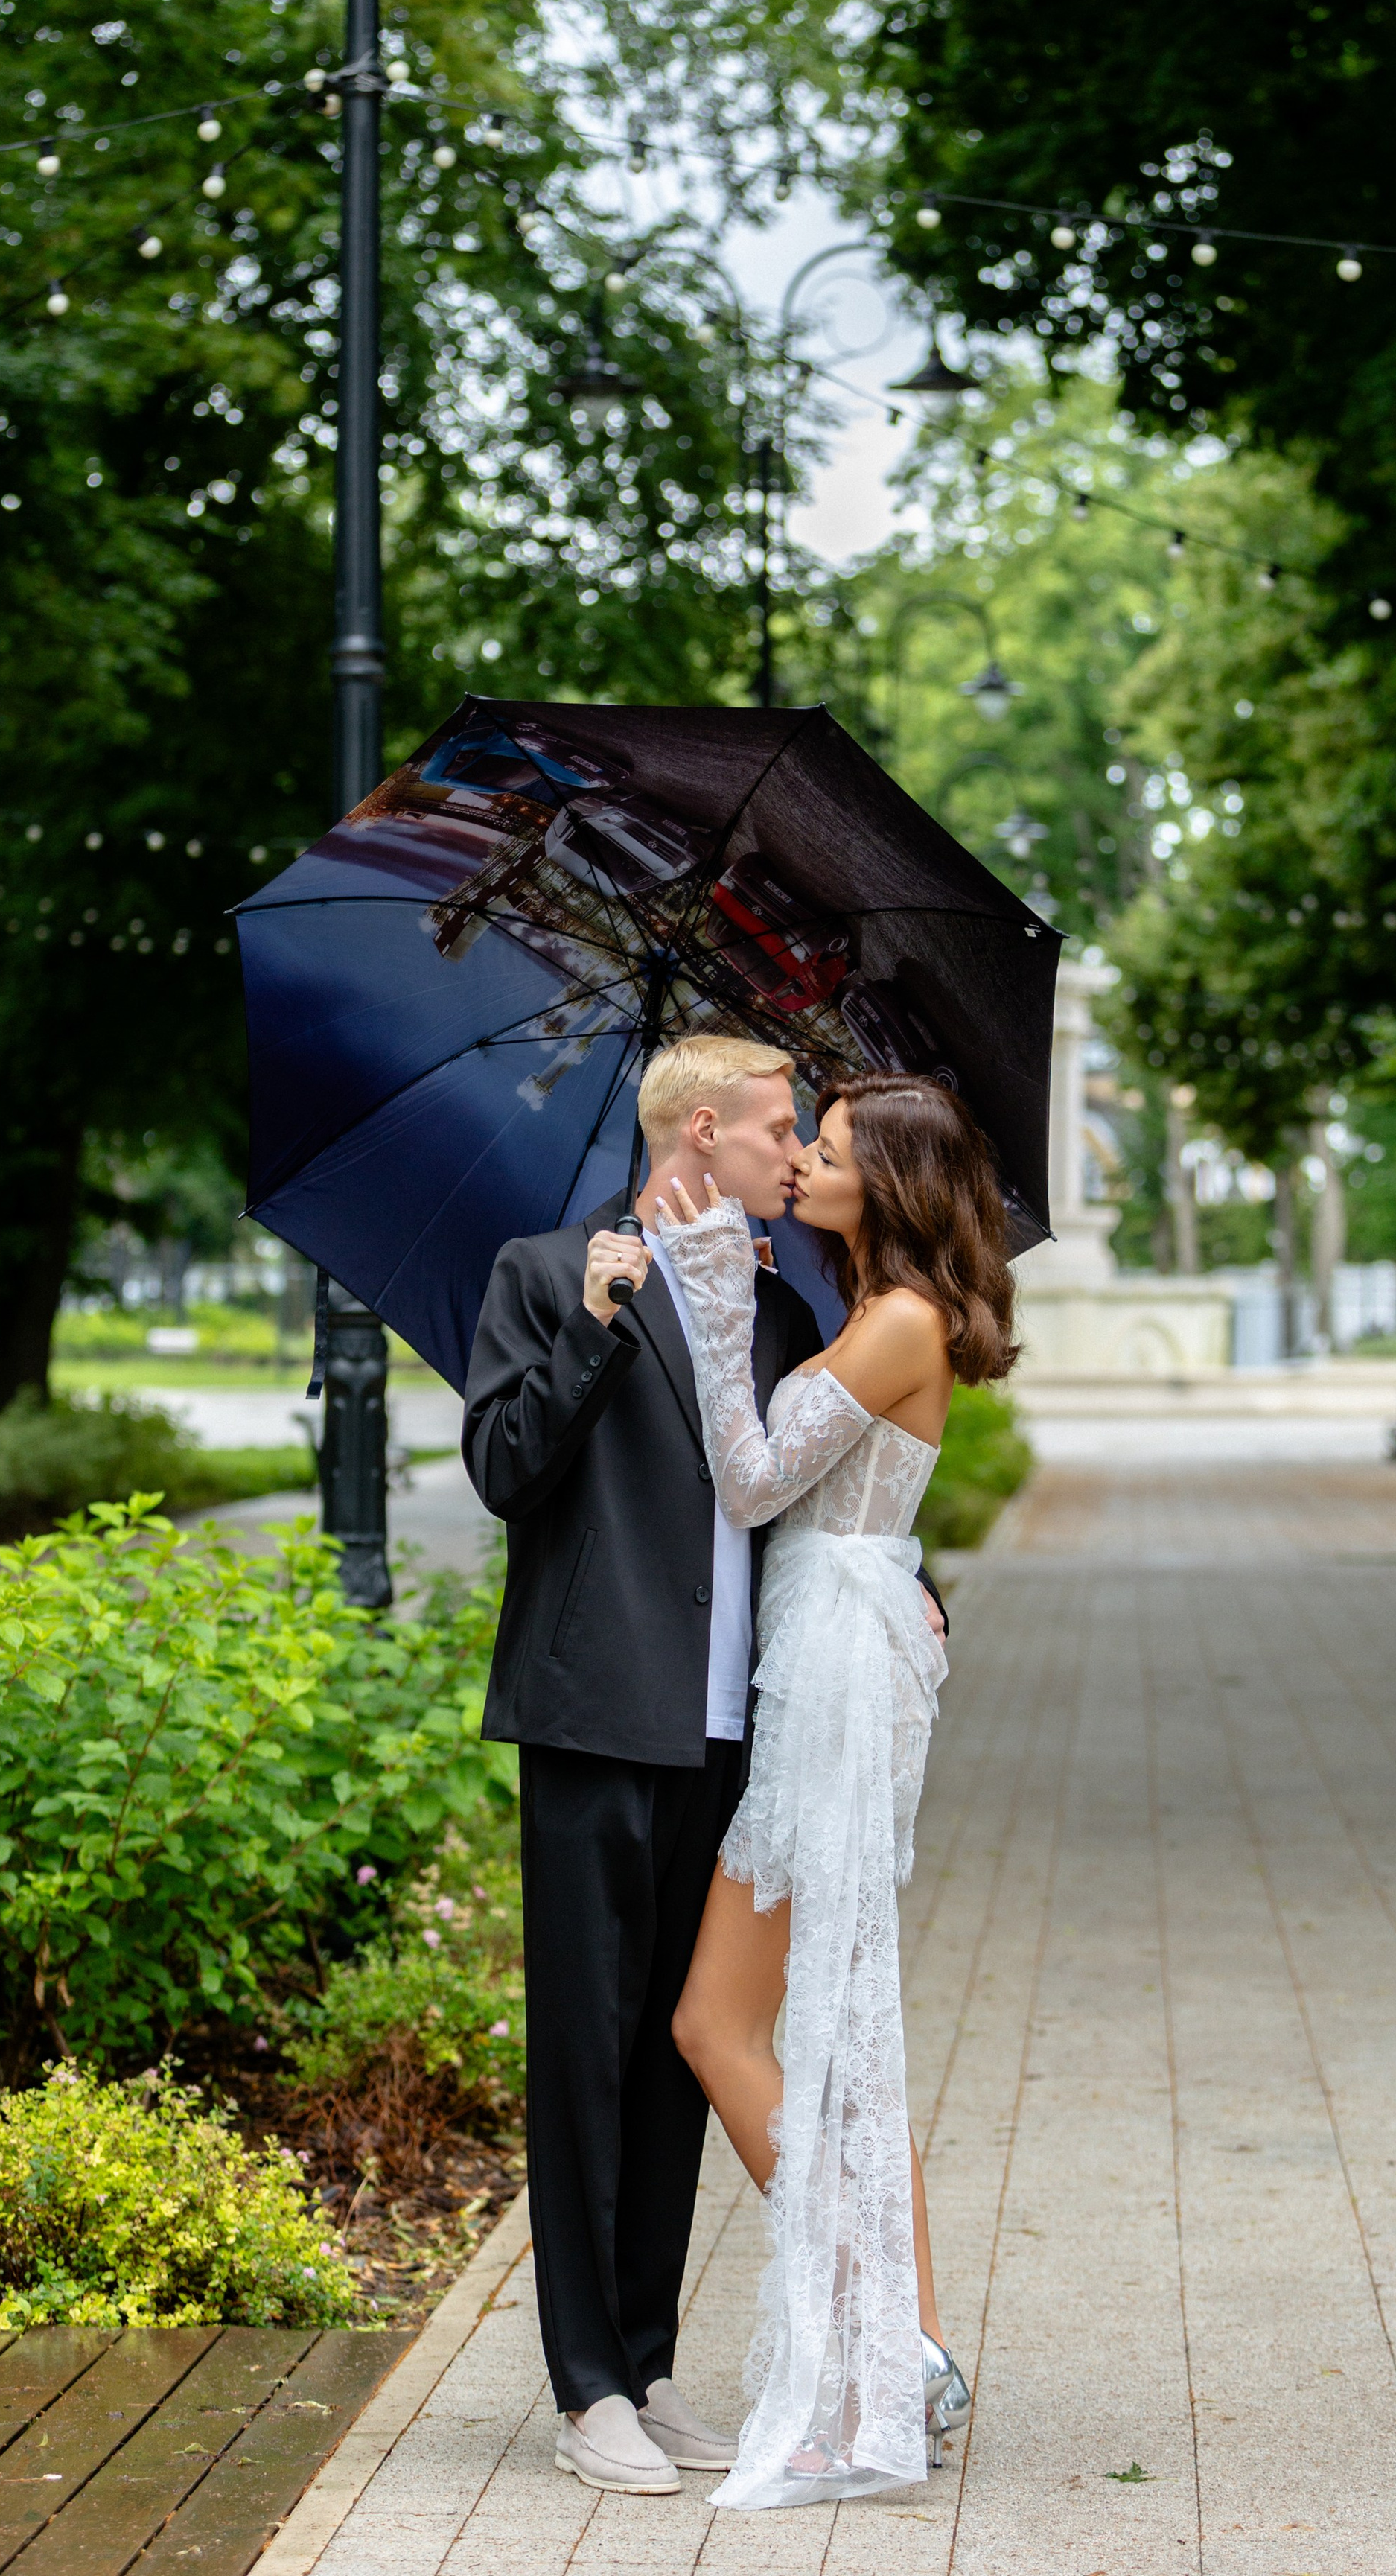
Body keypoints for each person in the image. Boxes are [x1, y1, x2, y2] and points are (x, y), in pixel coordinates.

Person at [461, 1034, 946, 2498]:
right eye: (772, 1127)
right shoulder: (548, 1275)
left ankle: (649, 2361)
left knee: (676, 2052)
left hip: (737, 1729)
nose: (791, 1151)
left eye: (803, 1130)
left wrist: (916, 1597)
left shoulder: (786, 1307)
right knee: (585, 2053)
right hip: (593, 1713)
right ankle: (583, 2388)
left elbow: (822, 1500)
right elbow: (503, 1473)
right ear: (696, 1136)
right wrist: (600, 1323)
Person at [654, 1069, 1018, 2507]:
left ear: (896, 1182)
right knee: (838, 2032)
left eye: (834, 1145)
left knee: (717, 2020)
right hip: (831, 1653)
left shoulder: (905, 1319)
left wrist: (713, 1299)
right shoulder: (874, 1310)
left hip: (835, 1679)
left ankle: (884, 2340)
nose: (804, 1155)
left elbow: (750, 1482)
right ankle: (913, 2346)